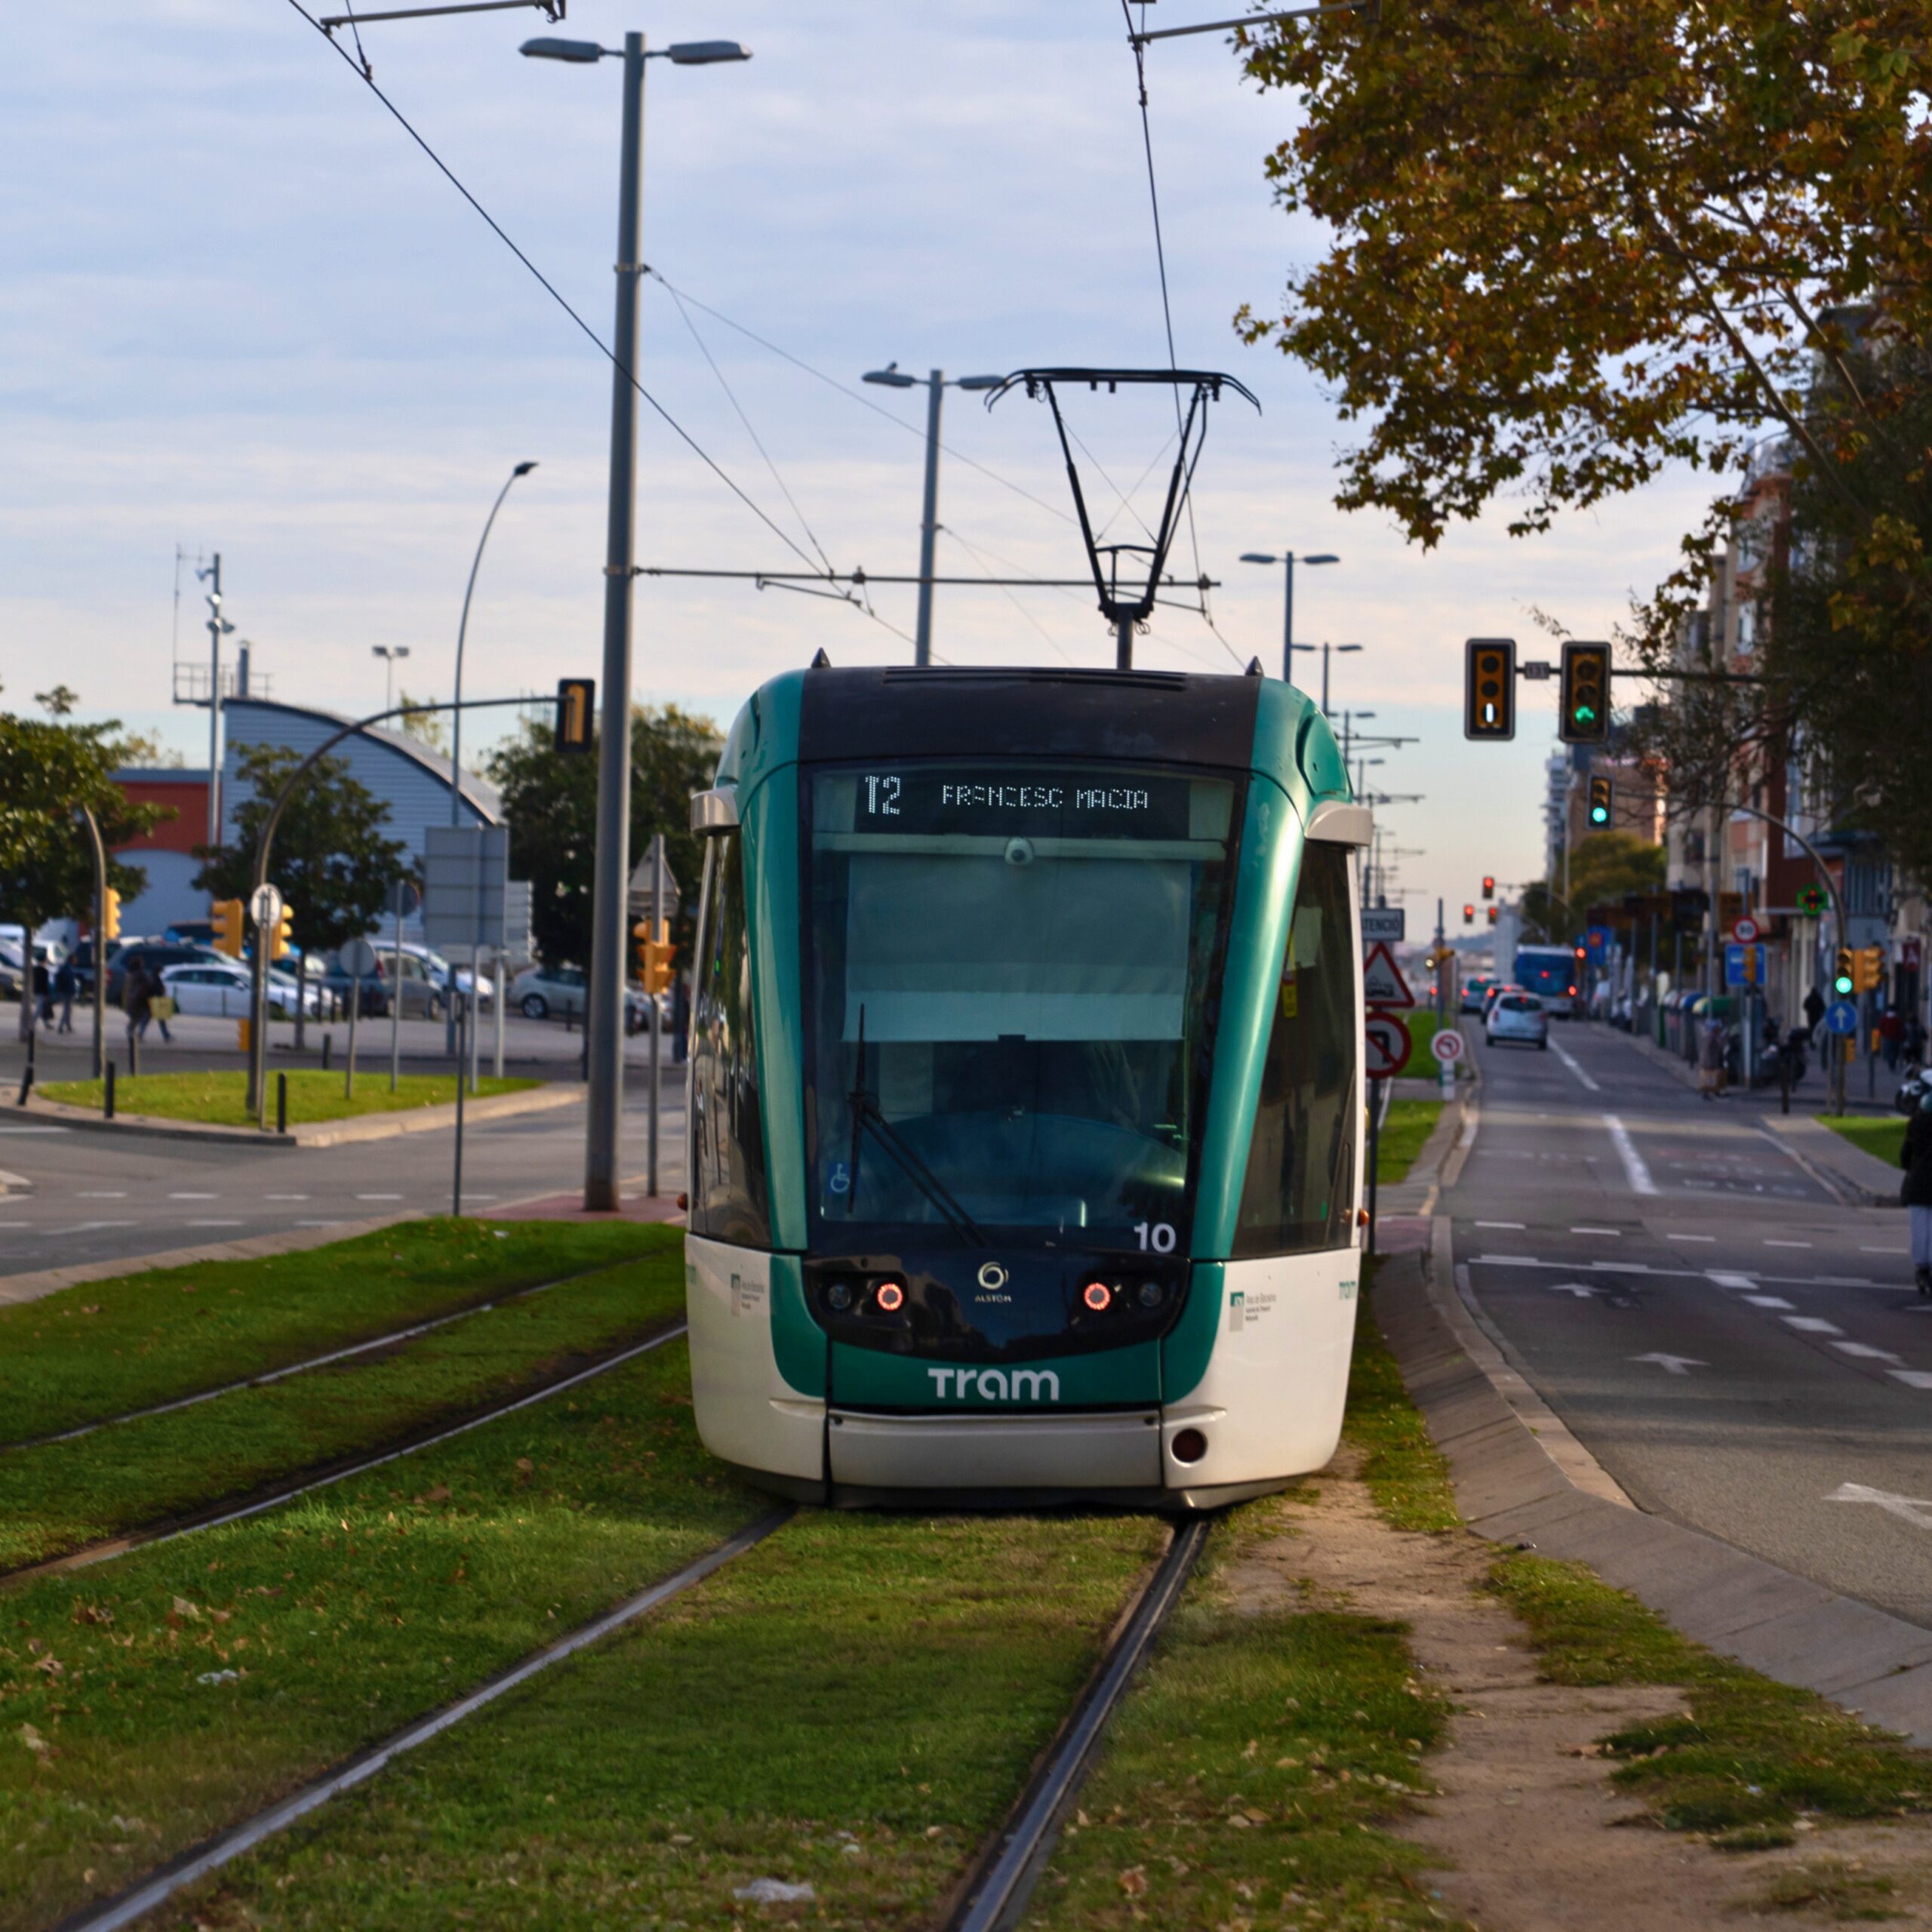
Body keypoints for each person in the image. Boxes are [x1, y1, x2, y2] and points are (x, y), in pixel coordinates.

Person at [1903, 1087, 1932, 1297]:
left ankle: (1922, 1268)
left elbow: (1905, 1156)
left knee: (1920, 1228)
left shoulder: (1916, 1125)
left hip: (1919, 1185)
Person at [1697, 1012, 1726, 1100]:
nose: (1719, 1030)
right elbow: (1718, 1046)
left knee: (1709, 1076)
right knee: (1712, 1076)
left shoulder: (1708, 1036)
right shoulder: (1712, 1037)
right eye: (1718, 1029)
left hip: (1707, 1060)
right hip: (1710, 1061)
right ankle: (1711, 1091)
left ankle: (1710, 1092)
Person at [51, 958, 75, 1035]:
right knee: (67, 1010)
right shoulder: (68, 969)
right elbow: (69, 982)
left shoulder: (65, 968)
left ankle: (68, 1026)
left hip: (66, 992)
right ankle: (61, 1027)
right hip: (68, 992)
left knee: (68, 1010)